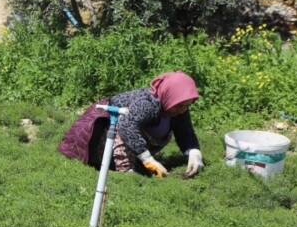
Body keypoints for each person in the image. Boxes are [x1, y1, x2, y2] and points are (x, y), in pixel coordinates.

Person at [59, 71, 205, 178]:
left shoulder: (177, 108)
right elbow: (127, 126)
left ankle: (135, 162)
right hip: (104, 131)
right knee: (123, 132)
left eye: (187, 105)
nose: (183, 110)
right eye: (180, 106)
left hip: (131, 135)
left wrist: (193, 152)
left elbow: (186, 132)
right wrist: (147, 159)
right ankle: (125, 173)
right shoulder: (147, 104)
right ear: (169, 96)